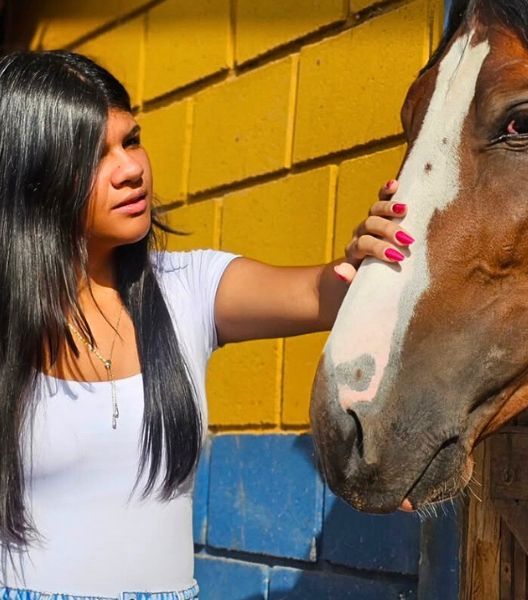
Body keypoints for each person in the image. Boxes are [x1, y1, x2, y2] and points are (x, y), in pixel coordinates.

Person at [0, 50, 412, 599]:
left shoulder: (186, 287)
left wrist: (369, 255)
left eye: (131, 139)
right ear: (35, 177)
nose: (130, 168)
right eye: (93, 155)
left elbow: (324, 293)